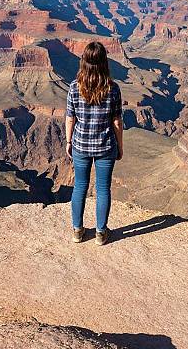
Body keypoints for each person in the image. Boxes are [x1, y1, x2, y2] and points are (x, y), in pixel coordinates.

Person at [65, 41, 123, 246]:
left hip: (80, 144)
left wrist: (68, 141)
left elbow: (70, 118)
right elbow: (116, 121)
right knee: (103, 188)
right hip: (105, 146)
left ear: (84, 62)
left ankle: (77, 231)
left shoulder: (74, 87)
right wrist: (120, 146)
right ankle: (100, 233)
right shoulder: (113, 88)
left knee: (80, 186)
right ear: (104, 63)